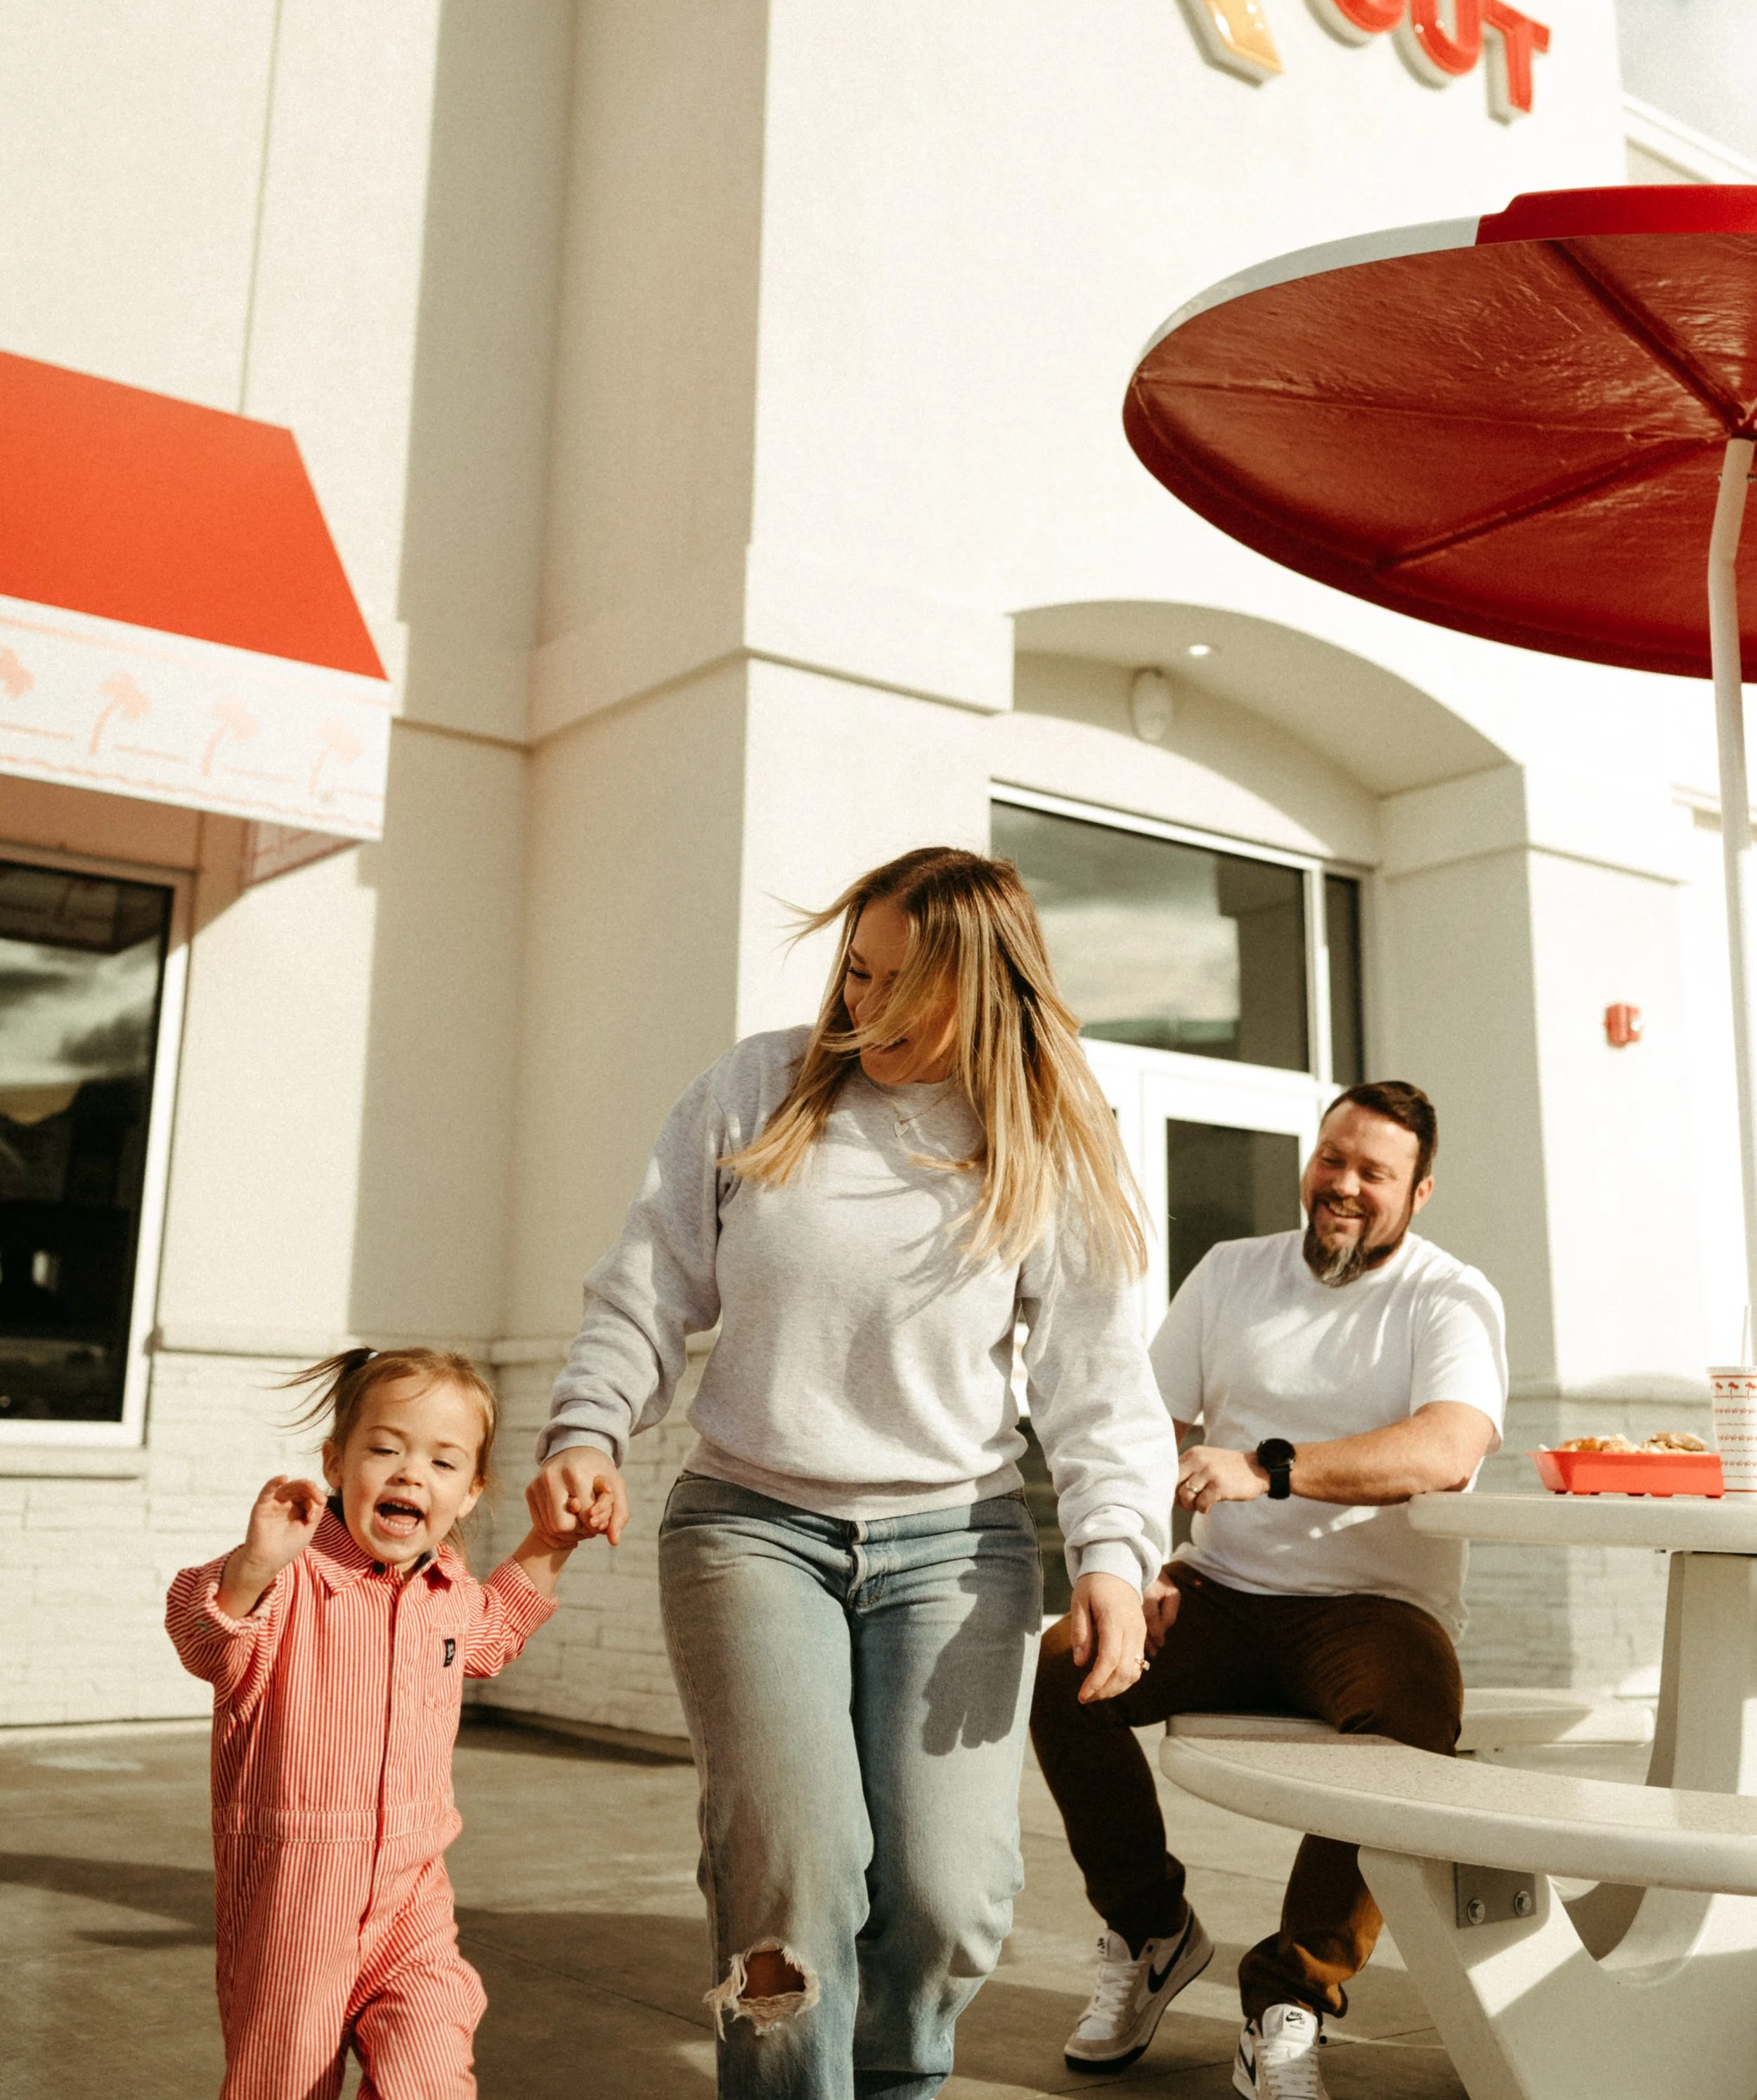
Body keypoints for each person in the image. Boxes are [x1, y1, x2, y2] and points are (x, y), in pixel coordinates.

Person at [526, 845, 1179, 2099]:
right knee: (788, 1877)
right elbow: (649, 1286)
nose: (863, 1009)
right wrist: (586, 1429)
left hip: (958, 1545)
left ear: (984, 991)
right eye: (856, 972)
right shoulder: (758, 1087)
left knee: (948, 1896)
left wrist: (1111, 1553)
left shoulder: (1049, 1131)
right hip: (750, 1526)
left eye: (902, 988)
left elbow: (1098, 1378)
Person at [1032, 1081, 1507, 2100]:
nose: (1344, 1184)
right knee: (1070, 1664)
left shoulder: (1447, 1296)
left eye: (1374, 1171)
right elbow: (1144, 1431)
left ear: (1419, 1191)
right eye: (1332, 1158)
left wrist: (1269, 1467)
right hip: (1220, 1587)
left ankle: (1290, 1999)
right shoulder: (1231, 1272)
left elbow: (1447, 1445)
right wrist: (1132, 1565)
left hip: (1371, 1609)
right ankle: (1151, 1933)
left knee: (1417, 1713)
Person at [165, 1344, 579, 2100]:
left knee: (430, 2077)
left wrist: (552, 1540)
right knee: (281, 2085)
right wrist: (253, 1566)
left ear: (470, 1492)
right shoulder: (288, 1581)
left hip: (413, 1895)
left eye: (443, 1462)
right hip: (295, 1902)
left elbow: (495, 1629)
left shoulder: (446, 1592)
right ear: (336, 1462)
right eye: (385, 1449)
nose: (411, 1473)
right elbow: (203, 1638)